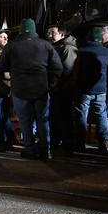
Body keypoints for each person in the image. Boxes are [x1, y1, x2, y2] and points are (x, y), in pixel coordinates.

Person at [0, 18, 63, 160]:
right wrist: (49, 84)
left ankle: (30, 149)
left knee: (25, 121)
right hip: (41, 90)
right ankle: (46, 150)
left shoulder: (12, 46)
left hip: (20, 90)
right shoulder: (46, 45)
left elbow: (0, 66)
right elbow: (58, 67)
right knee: (43, 120)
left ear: (20, 30)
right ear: (34, 30)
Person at [73, 28, 108, 152]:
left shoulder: (82, 52)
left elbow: (76, 71)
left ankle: (80, 143)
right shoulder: (107, 52)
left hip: (84, 90)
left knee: (81, 115)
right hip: (102, 89)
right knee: (101, 115)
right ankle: (104, 142)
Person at [46, 24, 78, 153]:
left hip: (62, 89)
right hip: (55, 88)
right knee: (55, 116)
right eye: (48, 32)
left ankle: (67, 144)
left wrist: (55, 84)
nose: (49, 35)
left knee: (64, 117)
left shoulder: (67, 48)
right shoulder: (56, 47)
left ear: (62, 34)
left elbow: (67, 71)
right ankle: (56, 141)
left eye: (52, 33)